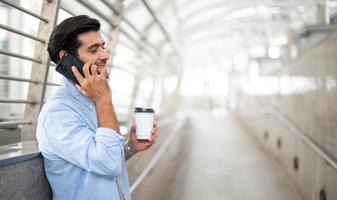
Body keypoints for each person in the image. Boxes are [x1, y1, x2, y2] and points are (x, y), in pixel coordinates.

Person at [36, 15, 158, 200]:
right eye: (94, 50)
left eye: (103, 46)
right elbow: (108, 164)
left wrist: (131, 147)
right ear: (66, 58)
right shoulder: (58, 113)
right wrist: (104, 99)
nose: (105, 55)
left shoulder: (92, 100)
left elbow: (97, 159)